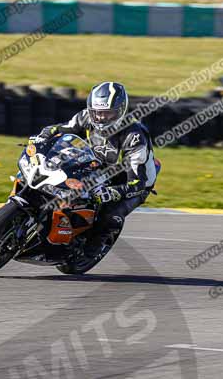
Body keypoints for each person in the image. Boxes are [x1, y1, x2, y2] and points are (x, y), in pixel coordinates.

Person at [32, 81, 160, 256]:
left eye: (108, 114)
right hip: (101, 165)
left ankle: (98, 241)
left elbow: (137, 181)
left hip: (132, 180)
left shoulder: (134, 136)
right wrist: (44, 135)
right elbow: (61, 129)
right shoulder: (86, 117)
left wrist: (112, 192)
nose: (101, 118)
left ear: (121, 111)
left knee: (109, 213)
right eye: (97, 113)